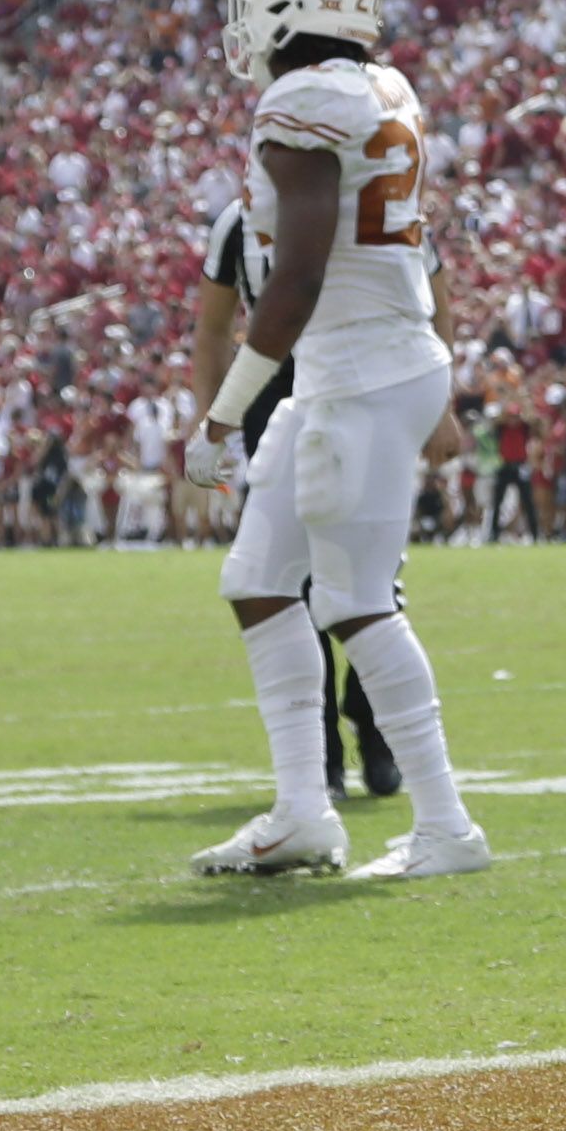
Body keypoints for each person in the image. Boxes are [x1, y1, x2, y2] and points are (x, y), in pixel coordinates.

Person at [184, 0, 486, 882]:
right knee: (259, 579)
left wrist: (223, 411)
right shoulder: (382, 87)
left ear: (290, 5)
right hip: (356, 366)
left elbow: (301, 273)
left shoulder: (303, 98)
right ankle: (302, 811)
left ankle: (445, 823)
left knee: (357, 603)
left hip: (361, 372)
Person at [193, 187, 394, 807]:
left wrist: (434, 406)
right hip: (276, 401)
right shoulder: (238, 221)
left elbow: (428, 298)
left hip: (361, 391)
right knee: (289, 583)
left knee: (373, 578)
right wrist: (213, 422)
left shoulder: (368, 200)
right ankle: (322, 755)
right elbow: (214, 327)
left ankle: (373, 719)